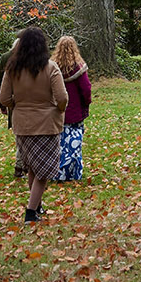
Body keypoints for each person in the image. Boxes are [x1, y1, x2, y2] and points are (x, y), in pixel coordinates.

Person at [0, 27, 67, 222]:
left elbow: (3, 98)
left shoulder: (12, 69)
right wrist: (57, 109)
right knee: (43, 171)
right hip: (47, 124)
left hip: (23, 124)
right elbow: (62, 97)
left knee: (33, 168)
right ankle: (30, 212)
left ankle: (36, 205)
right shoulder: (51, 67)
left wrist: (17, 105)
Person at [51, 36, 92, 181]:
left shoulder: (52, 68)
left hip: (57, 111)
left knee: (58, 142)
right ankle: (73, 172)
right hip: (75, 112)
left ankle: (56, 171)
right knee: (74, 143)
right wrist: (87, 102)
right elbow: (86, 89)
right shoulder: (79, 68)